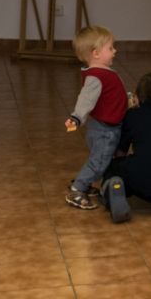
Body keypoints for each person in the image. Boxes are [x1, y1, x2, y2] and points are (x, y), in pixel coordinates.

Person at [65, 24, 128, 210]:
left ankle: (84, 183)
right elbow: (85, 100)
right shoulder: (95, 77)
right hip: (104, 131)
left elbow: (110, 96)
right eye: (110, 48)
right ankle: (77, 189)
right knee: (99, 162)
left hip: (104, 128)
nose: (115, 51)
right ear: (96, 53)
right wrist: (76, 117)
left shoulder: (102, 73)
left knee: (99, 159)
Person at [103, 71, 151, 203]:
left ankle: (113, 192)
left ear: (137, 96)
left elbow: (120, 152)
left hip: (142, 184)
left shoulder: (132, 115)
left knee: (112, 166)